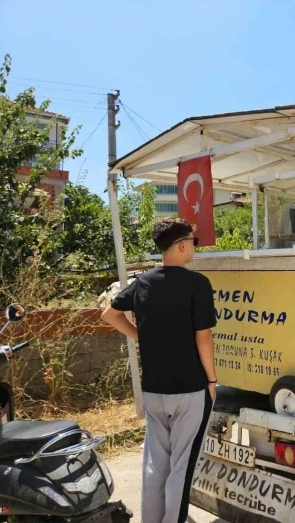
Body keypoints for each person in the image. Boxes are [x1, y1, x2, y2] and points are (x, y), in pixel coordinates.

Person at [101, 217, 217, 523]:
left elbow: (109, 314)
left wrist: (142, 336)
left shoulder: (142, 282)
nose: (195, 246)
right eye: (194, 241)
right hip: (190, 389)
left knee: (155, 465)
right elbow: (203, 338)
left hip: (154, 390)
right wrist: (212, 380)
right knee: (181, 467)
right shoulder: (197, 284)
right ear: (182, 245)